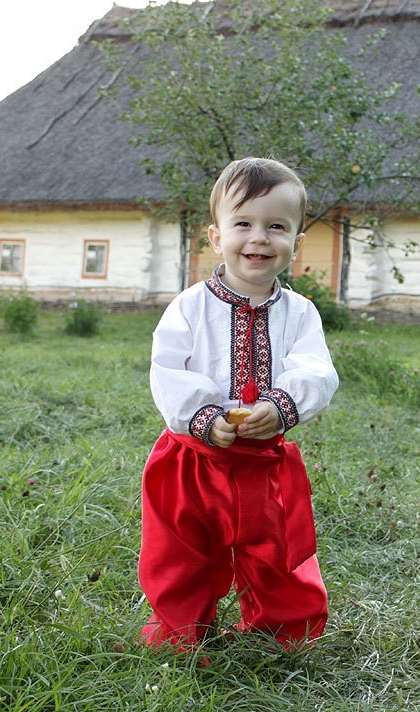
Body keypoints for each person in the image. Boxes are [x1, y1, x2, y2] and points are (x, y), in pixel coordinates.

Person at [139, 157, 339, 651]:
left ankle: (283, 632)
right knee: (183, 555)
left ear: (297, 243)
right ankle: (180, 636)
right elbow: (167, 369)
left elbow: (316, 369)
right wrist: (202, 416)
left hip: (261, 463)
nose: (259, 238)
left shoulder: (299, 312)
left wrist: (284, 402)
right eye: (243, 224)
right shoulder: (189, 306)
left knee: (276, 550)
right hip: (192, 460)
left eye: (276, 226)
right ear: (215, 237)